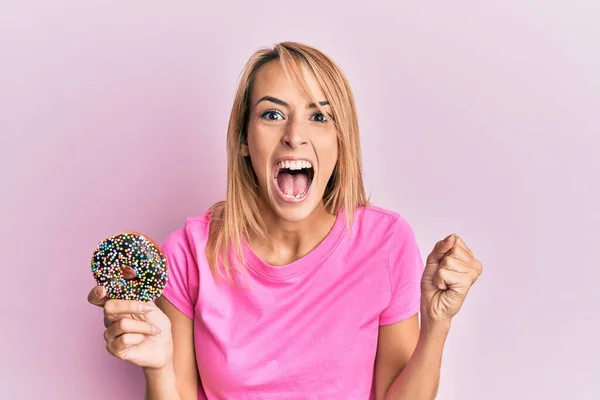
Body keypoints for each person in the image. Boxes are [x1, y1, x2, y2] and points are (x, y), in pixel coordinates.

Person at [87, 41, 483, 400]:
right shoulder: (189, 252)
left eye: (319, 117)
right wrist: (158, 371)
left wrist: (437, 326)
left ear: (341, 143)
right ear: (244, 140)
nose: (295, 135)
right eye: (273, 114)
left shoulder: (385, 242)